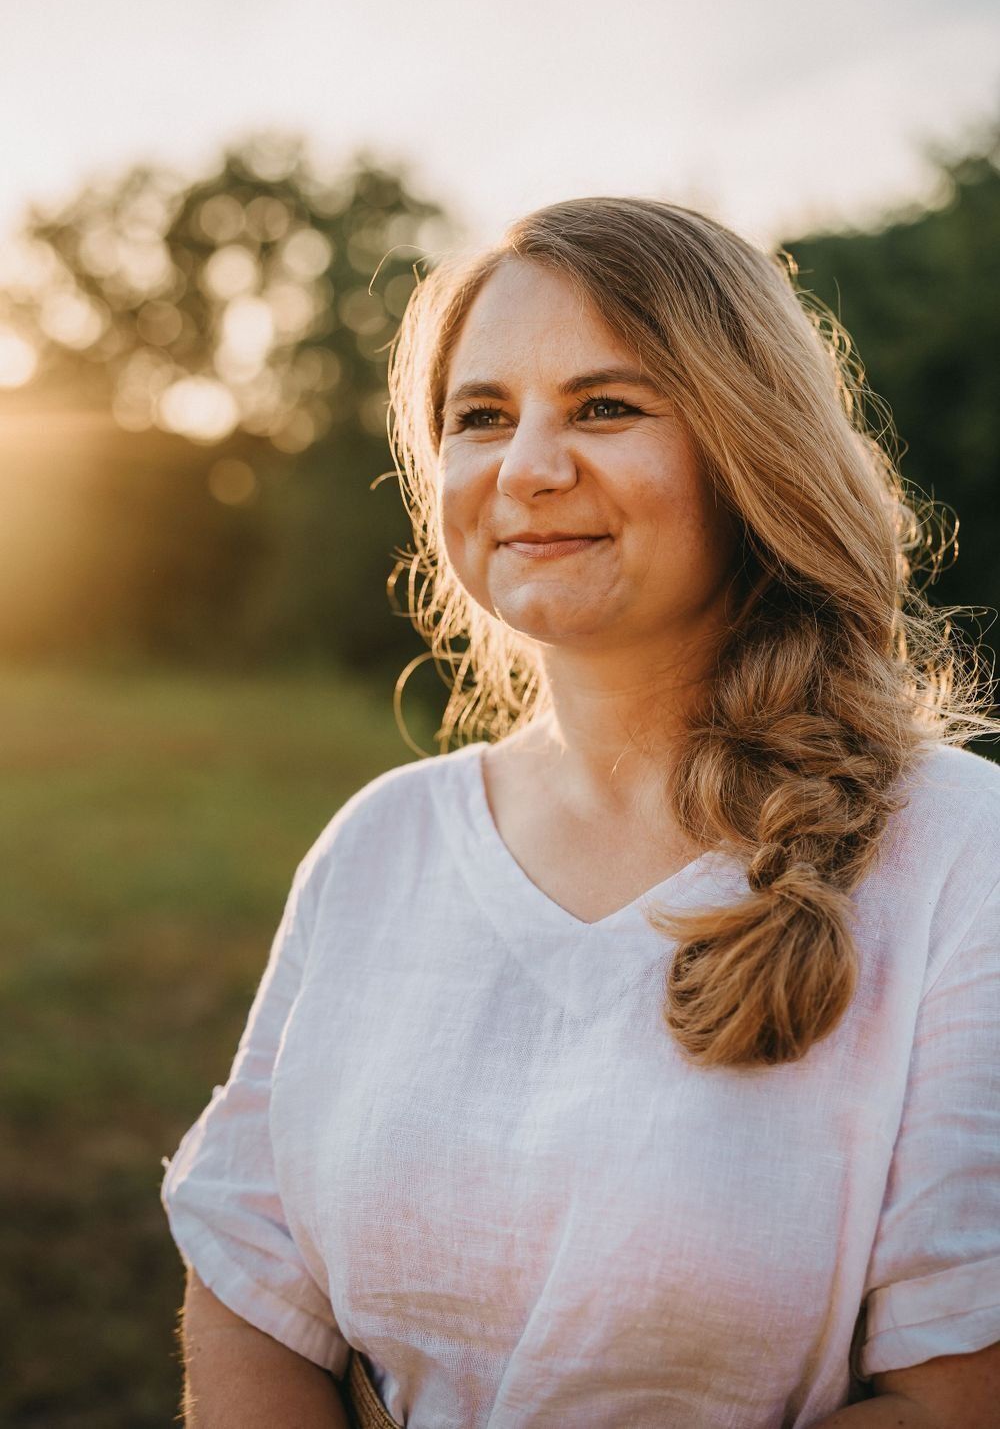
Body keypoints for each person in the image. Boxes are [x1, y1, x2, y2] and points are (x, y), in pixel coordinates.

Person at [161, 197, 1000, 1428]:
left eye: (605, 406)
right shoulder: (380, 842)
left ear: (747, 446)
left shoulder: (957, 850)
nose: (529, 467)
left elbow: (957, 1397)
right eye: (481, 417)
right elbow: (250, 1284)